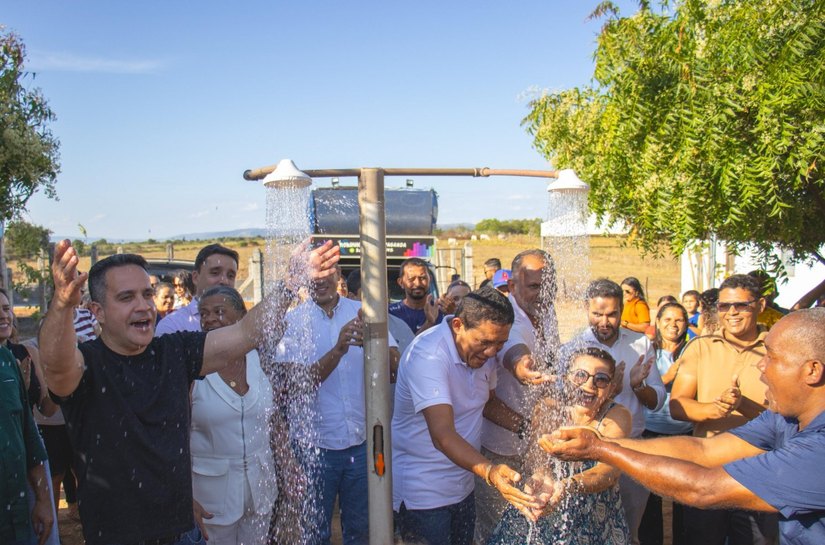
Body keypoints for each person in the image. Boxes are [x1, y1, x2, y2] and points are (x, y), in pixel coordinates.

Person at [39, 239, 338, 545]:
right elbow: (55, 368)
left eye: (146, 294)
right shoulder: (87, 364)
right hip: (116, 535)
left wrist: (290, 284)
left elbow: (247, 333)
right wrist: (62, 303)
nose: (143, 306)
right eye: (126, 298)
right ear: (97, 312)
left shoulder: (174, 351)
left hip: (181, 531)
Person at [543, 308, 825, 545]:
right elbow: (702, 449)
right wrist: (596, 443)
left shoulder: (819, 451)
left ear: (812, 370)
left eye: (772, 357)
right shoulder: (784, 417)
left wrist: (600, 449)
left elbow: (703, 489)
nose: (761, 366)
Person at [392, 287, 541, 545]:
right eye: (484, 342)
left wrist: (530, 429)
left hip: (464, 486)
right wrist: (491, 471)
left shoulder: (481, 354)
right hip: (424, 495)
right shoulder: (428, 356)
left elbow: (486, 403)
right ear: (458, 325)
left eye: (500, 344)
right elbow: (443, 436)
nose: (491, 352)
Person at [276, 265, 399, 545]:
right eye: (312, 277)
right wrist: (338, 350)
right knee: (315, 534)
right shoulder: (292, 322)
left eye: (324, 275)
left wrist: (376, 344)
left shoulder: (362, 312)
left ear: (338, 275)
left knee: (361, 530)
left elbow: (394, 365)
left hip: (362, 444)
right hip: (313, 450)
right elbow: (296, 385)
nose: (318, 282)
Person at [669, 273, 778, 544]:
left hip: (759, 472)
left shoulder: (777, 349)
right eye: (724, 306)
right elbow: (677, 406)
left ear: (761, 305)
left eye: (741, 305)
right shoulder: (700, 347)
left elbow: (788, 419)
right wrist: (715, 409)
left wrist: (744, 405)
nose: (732, 312)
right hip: (708, 471)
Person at [486, 347, 632, 544]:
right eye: (580, 375)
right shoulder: (550, 407)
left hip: (595, 513)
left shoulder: (616, 416)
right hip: (547, 504)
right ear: (566, 378)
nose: (589, 385)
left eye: (601, 379)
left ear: (611, 387)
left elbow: (610, 471)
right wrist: (541, 473)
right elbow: (536, 456)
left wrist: (566, 486)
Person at [474, 249, 560, 544]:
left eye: (549, 286)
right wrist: (522, 368)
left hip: (537, 447)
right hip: (501, 451)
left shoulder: (547, 313)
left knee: (534, 528)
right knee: (498, 531)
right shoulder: (506, 318)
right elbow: (515, 352)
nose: (543, 294)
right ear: (511, 286)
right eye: (535, 286)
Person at [575, 278, 665, 545]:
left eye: (612, 314)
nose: (605, 321)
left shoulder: (641, 344)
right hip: (585, 456)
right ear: (586, 309)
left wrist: (637, 386)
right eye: (597, 314)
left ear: (622, 309)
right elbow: (566, 403)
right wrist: (605, 393)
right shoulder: (572, 348)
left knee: (628, 534)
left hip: (630, 451)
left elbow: (657, 400)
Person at [190, 286, 277, 545]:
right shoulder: (191, 366)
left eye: (219, 311)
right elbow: (175, 437)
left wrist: (289, 463)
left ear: (242, 318)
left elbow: (271, 420)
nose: (210, 319)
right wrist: (185, 496)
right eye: (204, 314)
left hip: (259, 490)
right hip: (211, 500)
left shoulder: (257, 359)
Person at [639, 303, 693, 545]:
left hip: (685, 434)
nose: (673, 325)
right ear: (658, 322)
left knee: (684, 497)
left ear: (687, 323)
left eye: (679, 319)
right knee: (651, 500)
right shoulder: (647, 350)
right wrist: (671, 374)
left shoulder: (693, 352)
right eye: (668, 319)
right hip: (651, 432)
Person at [157, 244, 238, 334]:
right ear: (195, 277)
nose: (225, 281)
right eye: (215, 273)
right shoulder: (173, 326)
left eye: (231, 276)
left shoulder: (241, 322)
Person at [346, 268, 413, 357]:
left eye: (384, 291)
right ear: (352, 297)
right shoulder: (344, 327)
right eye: (371, 292)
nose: (379, 297)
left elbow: (407, 365)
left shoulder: (400, 326)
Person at [388, 257, 444, 335]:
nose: (417, 283)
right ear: (401, 282)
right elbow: (407, 345)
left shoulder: (440, 310)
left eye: (422, 278)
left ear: (429, 279)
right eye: (411, 279)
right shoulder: (391, 313)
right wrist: (429, 323)